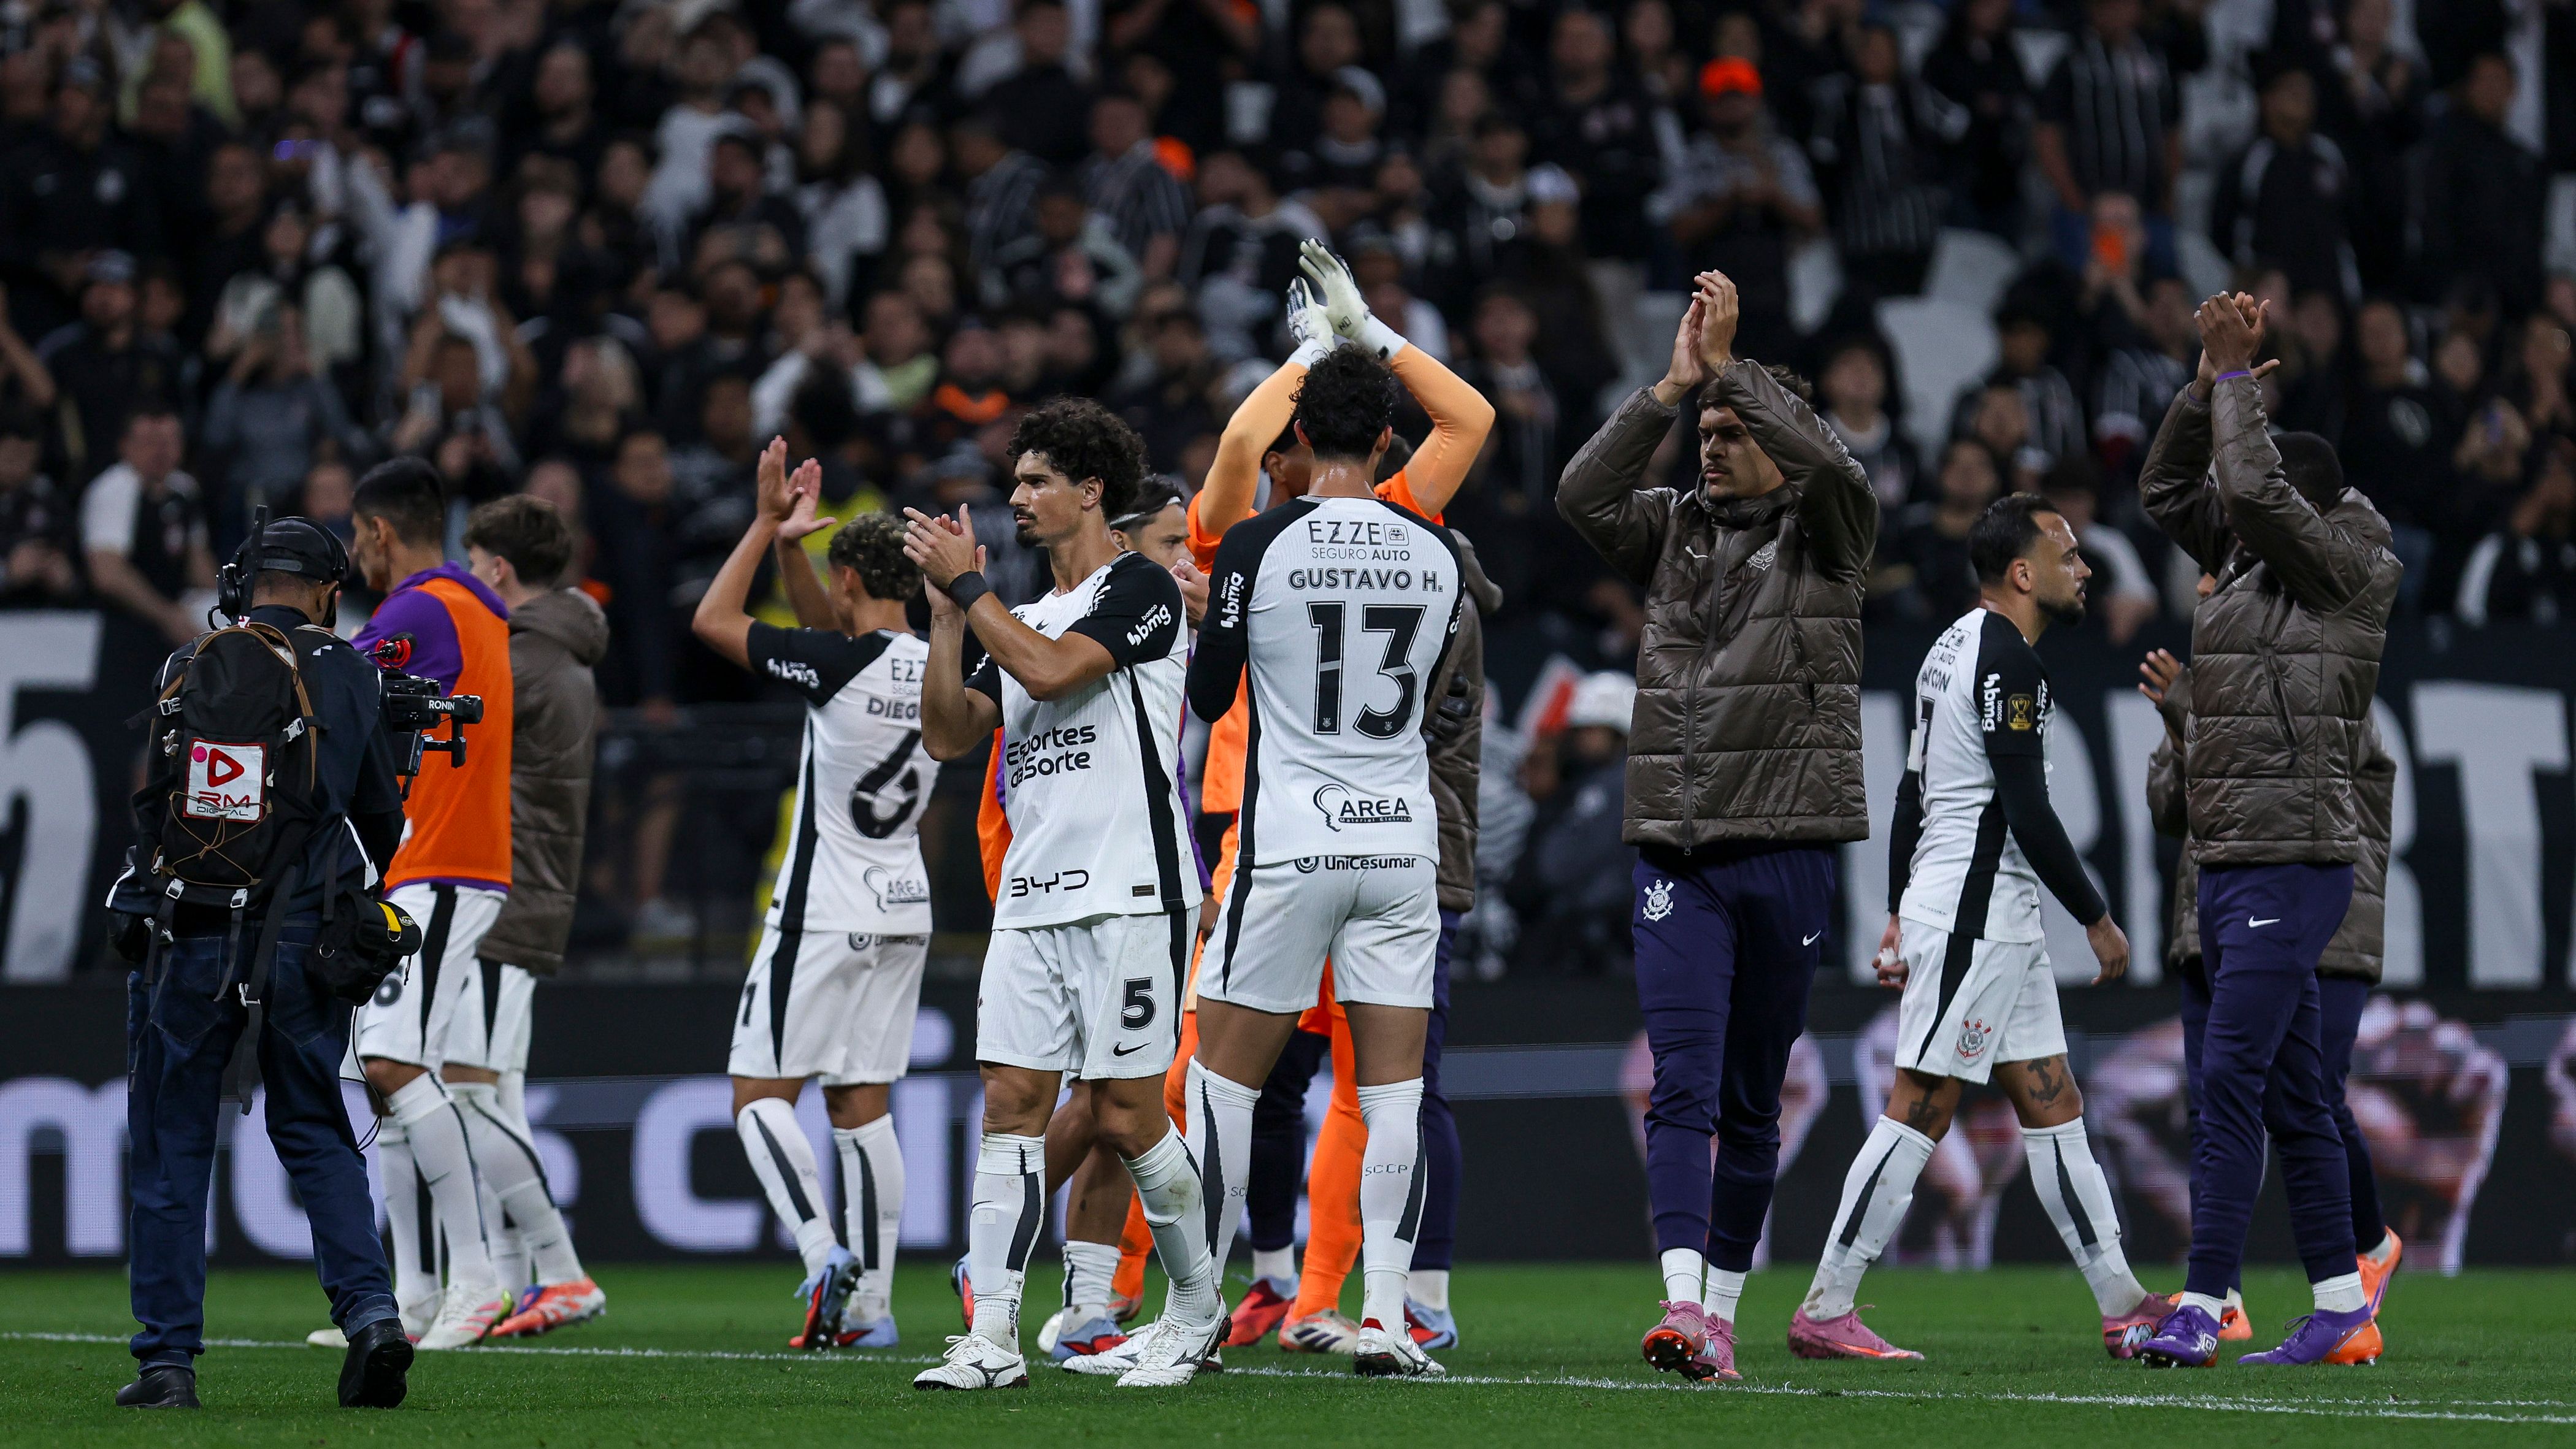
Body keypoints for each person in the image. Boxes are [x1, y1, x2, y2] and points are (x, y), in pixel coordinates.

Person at [1555, 270, 1876, 1384]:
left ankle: (1726, 1315)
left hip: (1784, 849)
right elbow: (1579, 496)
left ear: (1779, 438)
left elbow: (1834, 463)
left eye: (1733, 432)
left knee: (1751, 1099)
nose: (1710, 444)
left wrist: (1736, 371)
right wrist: (1670, 389)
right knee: (1680, 1082)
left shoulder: (1831, 532)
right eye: (1706, 432)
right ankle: (1684, 1308)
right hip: (1679, 853)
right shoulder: (1672, 530)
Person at [1792, 493, 2163, 1362]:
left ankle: (2123, 1299)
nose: (2087, 568)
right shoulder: (2008, 663)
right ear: (2025, 573)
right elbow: (2027, 812)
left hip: (1983, 910)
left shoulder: (1949, 645)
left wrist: (1893, 906)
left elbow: (1913, 791)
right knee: (1922, 1103)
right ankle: (1826, 1303)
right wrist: (2099, 919)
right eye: (2069, 555)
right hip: (1975, 909)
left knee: (2052, 1097)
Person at [905, 397, 1224, 1390]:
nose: (1018, 496)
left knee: (1128, 1113)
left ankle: (1197, 1303)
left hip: (1134, 888)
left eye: (1037, 479)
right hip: (1034, 897)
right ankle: (992, 1336)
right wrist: (952, 618)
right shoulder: (1025, 613)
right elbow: (951, 737)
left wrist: (973, 586)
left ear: (1092, 491)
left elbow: (1047, 675)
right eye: (1016, 481)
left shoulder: (1146, 589)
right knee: (1010, 1103)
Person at [1178, 342, 1465, 1380]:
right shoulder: (1436, 552)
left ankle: (1195, 1314)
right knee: (1392, 1096)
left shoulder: (1256, 544)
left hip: (1293, 837)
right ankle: (1385, 1315)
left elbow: (1210, 699)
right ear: (1389, 440)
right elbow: (1431, 697)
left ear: (1298, 438)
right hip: (1400, 835)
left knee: (1222, 1082)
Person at [2133, 292, 2401, 1368]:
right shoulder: (2248, 557)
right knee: (2292, 1093)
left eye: (2264, 501)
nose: (2235, 512)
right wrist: (2203, 389)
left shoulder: (2350, 572)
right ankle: (2342, 1301)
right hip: (2236, 854)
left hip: (2291, 856)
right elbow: (2165, 488)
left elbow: (2248, 484)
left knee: (2230, 1084)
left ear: (2310, 505)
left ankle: (2204, 1302)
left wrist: (2239, 379)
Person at [107, 518, 413, 1410]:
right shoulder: (350, 674)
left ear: (245, 582)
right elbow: (381, 824)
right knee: (316, 1127)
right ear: (327, 590)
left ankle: (167, 1363)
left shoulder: (188, 662)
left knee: (172, 1145)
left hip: (190, 934)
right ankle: (372, 1317)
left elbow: (154, 804)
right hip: (302, 940)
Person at [692, 442, 931, 1351]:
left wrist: (761, 525)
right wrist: (798, 548)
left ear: (847, 580)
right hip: (903, 905)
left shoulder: (833, 664)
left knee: (758, 1096)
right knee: (862, 1106)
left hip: (821, 908)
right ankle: (870, 1310)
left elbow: (716, 620)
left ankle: (821, 1247)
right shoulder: (941, 666)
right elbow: (827, 636)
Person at [2141, 638, 2402, 1345]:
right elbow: (2172, 809)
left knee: (2294, 1090)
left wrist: (2196, 710)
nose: (2211, 597)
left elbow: (2296, 782)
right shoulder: (2217, 695)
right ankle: (2315, 1299)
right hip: (2214, 918)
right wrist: (2181, 724)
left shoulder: (2321, 679)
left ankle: (2235, 1290)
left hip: (2312, 919)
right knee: (2247, 1099)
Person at [345, 456, 519, 1350]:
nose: (355, 553)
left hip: (441, 862)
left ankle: (478, 1278)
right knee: (383, 1071)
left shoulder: (420, 607)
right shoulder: (467, 603)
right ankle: (411, 1294)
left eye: (356, 535)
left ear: (378, 532)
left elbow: (334, 697)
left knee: (395, 1067)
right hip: (440, 861)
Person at [461, 495, 611, 1339]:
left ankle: (556, 1270)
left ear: (498, 568)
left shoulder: (517, 658)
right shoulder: (564, 650)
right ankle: (510, 1283)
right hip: (531, 884)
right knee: (494, 1088)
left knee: (469, 1085)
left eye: (472, 559)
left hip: (501, 890)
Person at [81, 407, 215, 646]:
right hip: (123, 624)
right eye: (151, 442)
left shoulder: (185, 489)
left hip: (177, 617)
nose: (161, 451)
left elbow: (199, 566)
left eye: (170, 441)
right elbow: (108, 575)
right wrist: (167, 616)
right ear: (125, 445)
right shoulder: (114, 488)